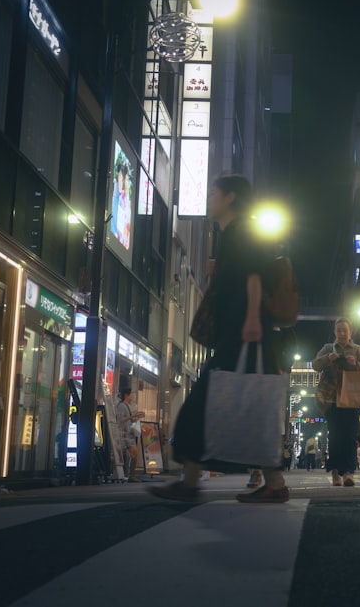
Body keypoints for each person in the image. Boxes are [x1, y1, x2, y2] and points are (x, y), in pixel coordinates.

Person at [150, 174, 288, 504]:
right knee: (240, 407)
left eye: (214, 192)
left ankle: (191, 482)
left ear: (230, 197)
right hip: (240, 333)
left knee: (204, 405)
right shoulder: (233, 233)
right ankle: (270, 483)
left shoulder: (242, 231)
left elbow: (254, 275)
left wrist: (253, 318)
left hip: (245, 334)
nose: (209, 197)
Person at [313, 317, 360, 487]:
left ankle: (349, 472)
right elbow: (315, 365)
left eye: (345, 330)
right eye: (339, 330)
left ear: (350, 332)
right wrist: (327, 359)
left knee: (351, 436)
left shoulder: (358, 350)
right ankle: (335, 472)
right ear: (335, 332)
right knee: (335, 436)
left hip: (352, 399)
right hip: (331, 398)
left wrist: (356, 364)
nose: (342, 333)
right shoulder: (327, 348)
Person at [116, 376, 143, 483]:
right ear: (126, 395)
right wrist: (132, 417)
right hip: (123, 434)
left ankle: (130, 475)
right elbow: (120, 420)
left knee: (133, 454)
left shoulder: (127, 406)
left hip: (128, 434)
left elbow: (128, 420)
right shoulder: (122, 406)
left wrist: (136, 416)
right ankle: (125, 475)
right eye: (131, 394)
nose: (132, 396)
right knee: (123, 455)